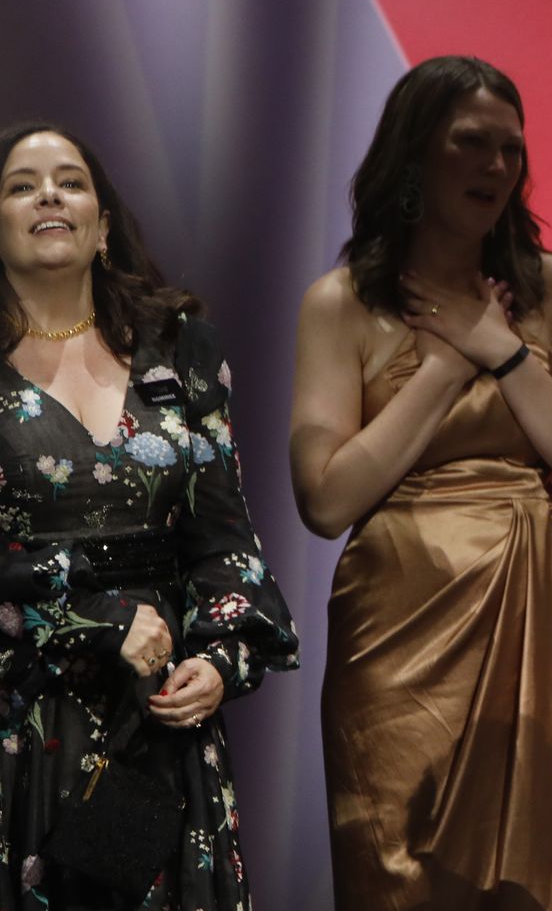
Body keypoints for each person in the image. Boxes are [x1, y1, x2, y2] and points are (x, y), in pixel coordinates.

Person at [290, 56, 552, 909]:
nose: (494, 167)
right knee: (393, 866)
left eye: (511, 151)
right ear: (414, 158)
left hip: (532, 608)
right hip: (394, 623)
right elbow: (326, 499)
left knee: (537, 870)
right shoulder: (340, 304)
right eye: (470, 144)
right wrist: (444, 368)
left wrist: (507, 354)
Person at [0, 122, 298, 908]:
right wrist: (93, 617)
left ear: (103, 227)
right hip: (23, 717)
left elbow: (226, 535)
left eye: (70, 180)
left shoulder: (179, 350)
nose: (49, 195)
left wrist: (220, 658)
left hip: (162, 720)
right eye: (21, 185)